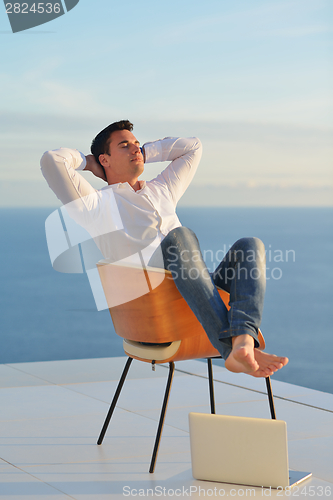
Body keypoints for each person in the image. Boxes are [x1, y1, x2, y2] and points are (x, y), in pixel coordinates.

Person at [41, 119, 288, 378]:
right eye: (125, 146)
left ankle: (243, 342)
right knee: (179, 237)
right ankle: (230, 348)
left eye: (137, 144)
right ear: (105, 160)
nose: (135, 149)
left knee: (250, 246)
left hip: (196, 297)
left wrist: (146, 152)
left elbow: (193, 147)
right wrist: (87, 162)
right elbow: (52, 160)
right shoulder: (95, 205)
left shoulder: (162, 189)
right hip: (158, 312)